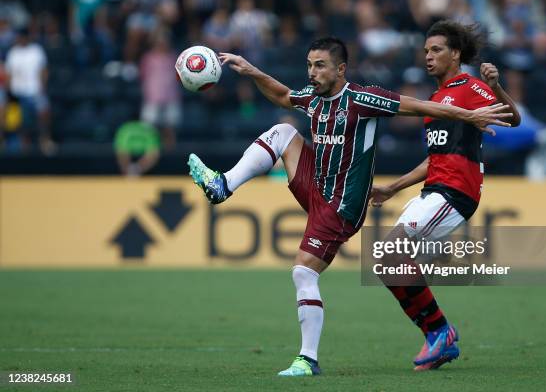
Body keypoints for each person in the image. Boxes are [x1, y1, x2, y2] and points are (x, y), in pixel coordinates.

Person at [187, 37, 512, 376]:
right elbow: (283, 96)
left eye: (320, 65)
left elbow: (421, 107)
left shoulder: (363, 99)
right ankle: (223, 185)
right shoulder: (314, 98)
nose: (312, 72)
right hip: (315, 185)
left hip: (342, 204)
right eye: (309, 65)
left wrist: (468, 115)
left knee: (303, 272)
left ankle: (307, 359)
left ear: (340, 69)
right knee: (283, 131)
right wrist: (253, 71)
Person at [370, 20, 521, 371]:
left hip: (454, 192)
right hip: (434, 190)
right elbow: (436, 158)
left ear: (455, 54)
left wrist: (497, 88)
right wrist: (393, 187)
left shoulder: (469, 87)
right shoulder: (437, 100)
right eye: (425, 51)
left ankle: (439, 331)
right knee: (384, 263)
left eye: (436, 50)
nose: (428, 56)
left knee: (391, 255)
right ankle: (438, 336)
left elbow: (512, 119)